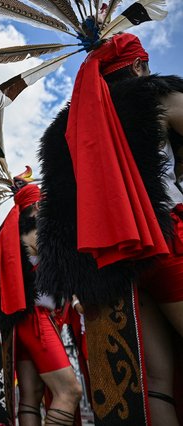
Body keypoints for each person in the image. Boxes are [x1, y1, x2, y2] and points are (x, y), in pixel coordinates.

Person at [36, 33, 183, 424]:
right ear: (137, 66)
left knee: (155, 384)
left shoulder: (68, 127)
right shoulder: (155, 96)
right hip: (169, 237)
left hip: (109, 266)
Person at [0, 183, 82, 426]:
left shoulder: (12, 234)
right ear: (39, 205)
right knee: (70, 391)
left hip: (21, 323)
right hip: (37, 320)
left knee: (30, 397)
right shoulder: (37, 233)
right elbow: (67, 259)